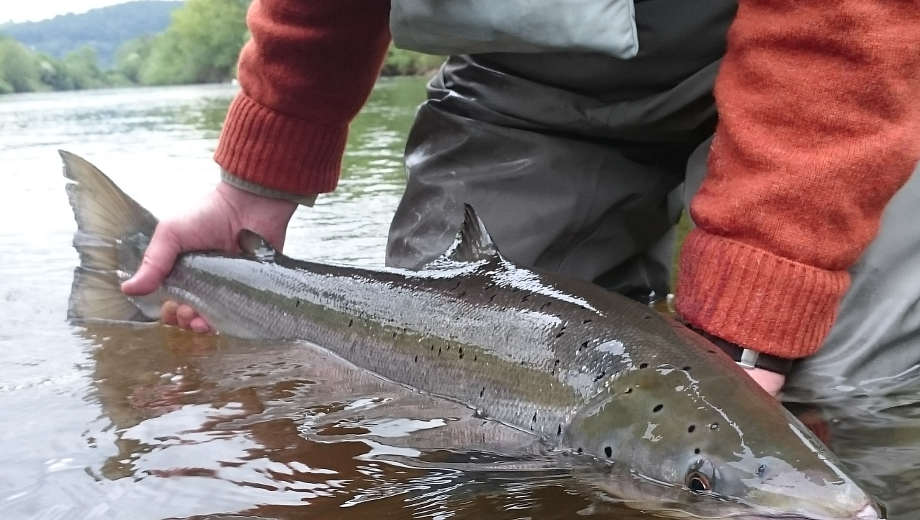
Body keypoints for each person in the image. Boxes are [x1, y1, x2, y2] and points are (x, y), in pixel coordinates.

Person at [121, 0, 920, 399]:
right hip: (522, 76)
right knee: (442, 403)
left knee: (825, 389)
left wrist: (756, 330)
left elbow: (850, 24)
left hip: (839, 82)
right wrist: (251, 185)